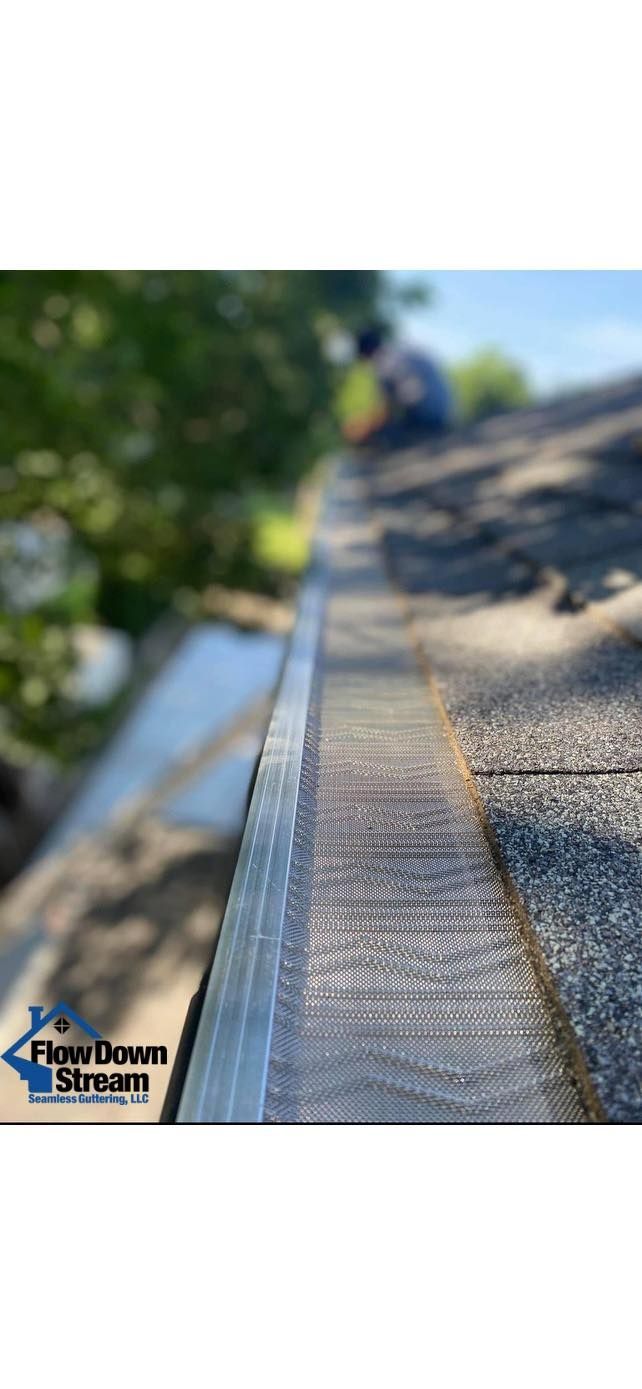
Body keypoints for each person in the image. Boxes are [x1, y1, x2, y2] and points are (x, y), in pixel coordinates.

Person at [345, 325, 453, 447]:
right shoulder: (399, 352)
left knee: (383, 435)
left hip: (428, 418)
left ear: (366, 353)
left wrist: (368, 425)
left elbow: (395, 405)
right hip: (443, 412)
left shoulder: (385, 362)